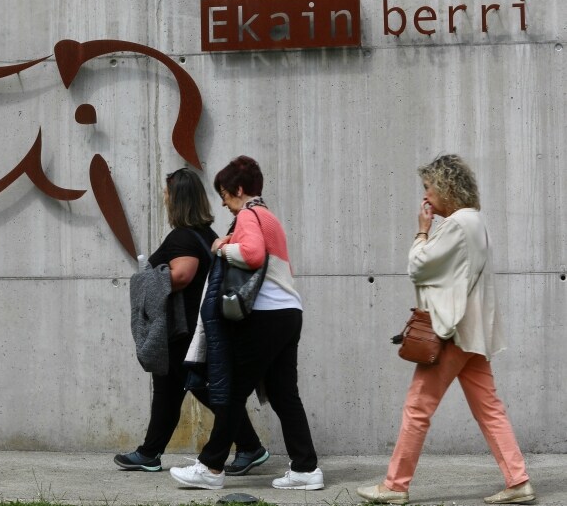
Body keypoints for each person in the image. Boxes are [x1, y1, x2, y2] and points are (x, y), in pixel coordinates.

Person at [357, 154, 534, 505]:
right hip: (474, 334)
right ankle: (518, 481)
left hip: (452, 334)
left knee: (417, 407)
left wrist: (422, 229)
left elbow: (418, 266)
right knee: (490, 408)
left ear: (445, 187)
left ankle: (395, 486)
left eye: (428, 187)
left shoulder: (455, 225)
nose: (424, 196)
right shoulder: (475, 221)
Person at [169, 156, 323, 491]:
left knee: (232, 390)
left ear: (239, 189)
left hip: (266, 316)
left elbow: (251, 255)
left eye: (225, 194)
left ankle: (210, 468)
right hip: (289, 312)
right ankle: (305, 469)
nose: (224, 203)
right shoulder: (269, 217)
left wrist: (222, 247)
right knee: (284, 394)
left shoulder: (250, 215)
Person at [114, 168, 269, 475]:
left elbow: (183, 274)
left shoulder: (183, 237)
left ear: (178, 199)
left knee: (205, 390)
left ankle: (250, 447)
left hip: (186, 332)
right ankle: (150, 453)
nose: (164, 197)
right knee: (170, 391)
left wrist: (146, 280)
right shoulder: (206, 235)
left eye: (167, 193)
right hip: (192, 330)